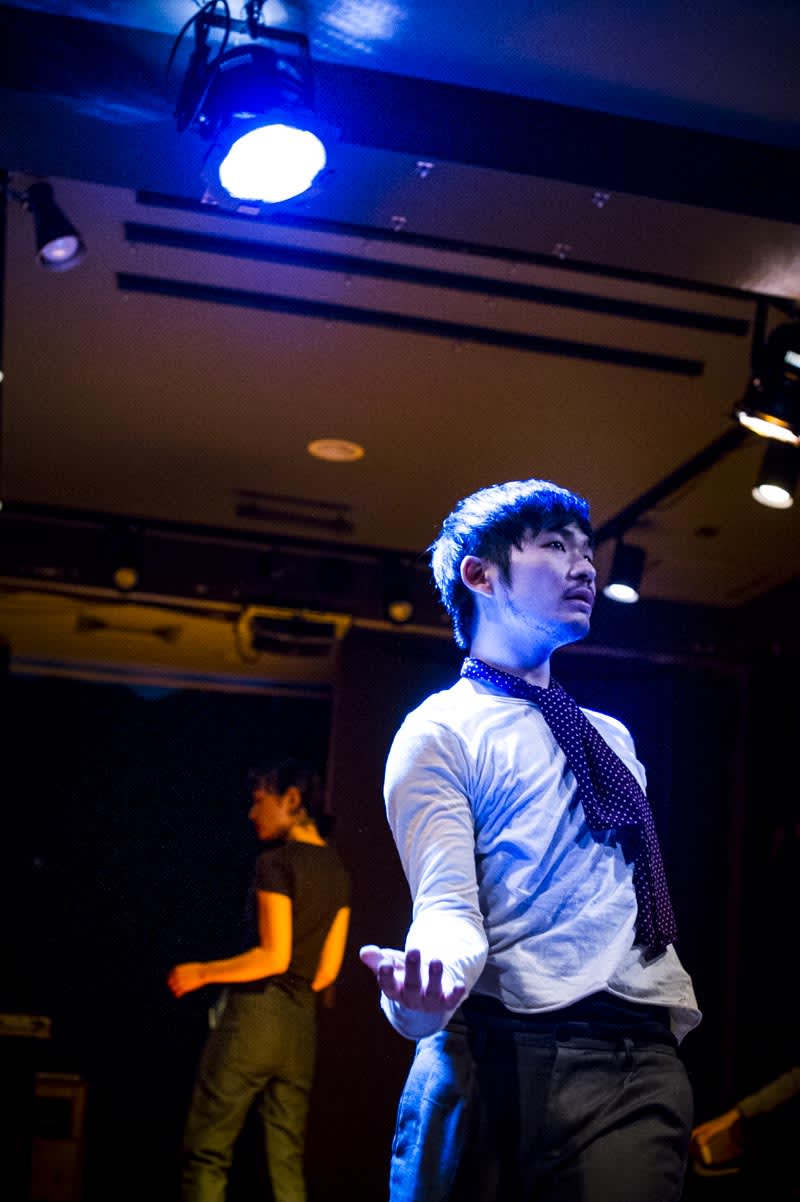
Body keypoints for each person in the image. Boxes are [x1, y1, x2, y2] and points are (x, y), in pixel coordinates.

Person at [360, 477, 701, 1202]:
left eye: (587, 551)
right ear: (480, 575)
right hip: (495, 1049)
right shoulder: (441, 731)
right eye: (554, 546)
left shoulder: (610, 738)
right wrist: (420, 1000)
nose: (585, 567)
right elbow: (446, 906)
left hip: (636, 1051)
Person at [168, 758, 351, 1202]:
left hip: (253, 1021)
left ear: (291, 799)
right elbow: (327, 972)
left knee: (207, 1151)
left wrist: (201, 972)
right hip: (300, 1029)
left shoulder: (276, 863)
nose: (252, 813)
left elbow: (274, 956)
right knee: (283, 1163)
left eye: (259, 801)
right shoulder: (338, 872)